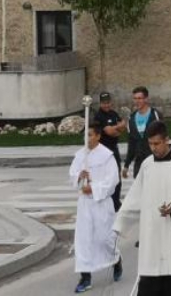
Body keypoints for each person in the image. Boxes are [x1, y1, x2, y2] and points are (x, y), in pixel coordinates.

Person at [113, 121, 171, 296]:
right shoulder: (147, 165)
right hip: (152, 237)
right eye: (150, 144)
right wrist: (119, 225)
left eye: (157, 143)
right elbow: (134, 197)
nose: (153, 148)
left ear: (167, 140)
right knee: (148, 282)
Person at [70, 123, 122, 294]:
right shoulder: (80, 155)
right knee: (83, 241)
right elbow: (72, 173)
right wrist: (79, 176)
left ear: (98, 136)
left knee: (104, 239)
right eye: (85, 135)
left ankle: (115, 259)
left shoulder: (107, 156)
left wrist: (94, 188)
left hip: (101, 203)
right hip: (85, 205)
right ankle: (85, 277)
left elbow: (113, 180)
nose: (87, 138)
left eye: (90, 135)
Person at [93, 92, 126, 212]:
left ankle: (116, 201)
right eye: (104, 103)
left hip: (114, 149)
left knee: (116, 176)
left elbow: (122, 127)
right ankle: (108, 201)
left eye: (108, 102)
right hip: (103, 150)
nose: (106, 105)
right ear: (100, 103)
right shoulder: (99, 116)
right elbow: (110, 132)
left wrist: (116, 128)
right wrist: (117, 128)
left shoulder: (113, 113)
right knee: (106, 177)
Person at [123, 86, 162, 179]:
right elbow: (131, 143)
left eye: (140, 98)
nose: (137, 101)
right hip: (139, 163)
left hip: (155, 160)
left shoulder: (155, 115)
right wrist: (126, 165)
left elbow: (163, 137)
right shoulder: (131, 119)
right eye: (135, 98)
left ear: (146, 99)